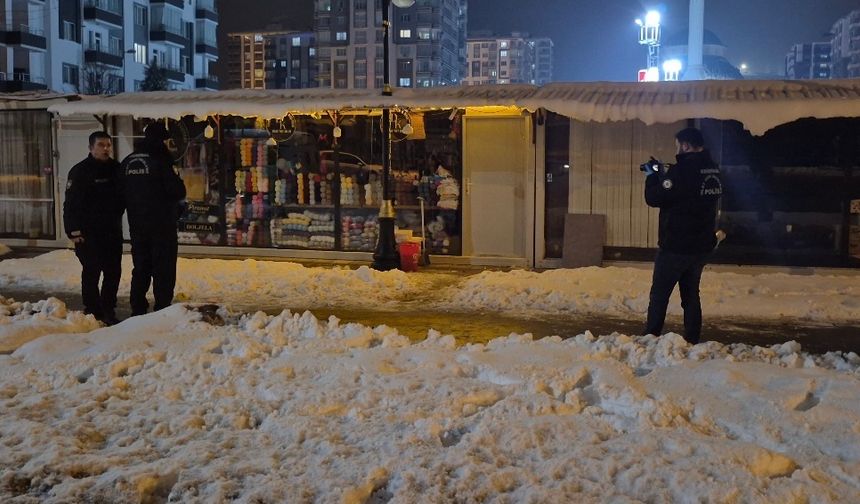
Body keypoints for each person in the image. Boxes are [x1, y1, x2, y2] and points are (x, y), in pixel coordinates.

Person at [643, 127, 723, 344]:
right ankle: (692, 339)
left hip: (676, 246)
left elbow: (655, 197)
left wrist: (652, 176)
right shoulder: (712, 169)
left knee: (659, 296)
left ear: (686, 145)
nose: (677, 149)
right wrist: (665, 175)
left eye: (678, 145)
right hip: (701, 246)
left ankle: (650, 339)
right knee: (690, 296)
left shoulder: (681, 172)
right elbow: (684, 193)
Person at [119, 122, 186, 316]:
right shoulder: (161, 161)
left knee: (141, 267)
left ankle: (137, 307)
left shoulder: (128, 162)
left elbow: (119, 193)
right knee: (163, 268)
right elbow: (177, 190)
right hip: (162, 224)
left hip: (137, 225)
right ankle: (161, 309)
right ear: (161, 140)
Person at [63, 131, 124, 326]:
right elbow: (70, 204)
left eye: (108, 145)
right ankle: (92, 311)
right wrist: (73, 230)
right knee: (91, 271)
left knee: (113, 272)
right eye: (101, 145)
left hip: (112, 231)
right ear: (91, 148)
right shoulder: (80, 171)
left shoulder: (116, 169)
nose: (105, 148)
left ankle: (108, 310)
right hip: (88, 233)